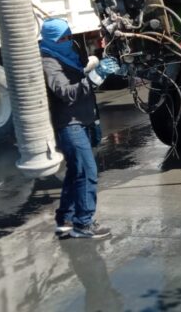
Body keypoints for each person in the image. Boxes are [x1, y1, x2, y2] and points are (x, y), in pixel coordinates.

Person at [39, 18, 120, 239]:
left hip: (81, 120)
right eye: (62, 38)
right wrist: (95, 77)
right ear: (51, 40)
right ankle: (83, 224)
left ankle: (66, 217)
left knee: (76, 172)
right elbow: (65, 93)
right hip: (69, 124)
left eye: (69, 36)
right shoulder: (48, 61)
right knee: (87, 172)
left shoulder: (67, 54)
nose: (68, 41)